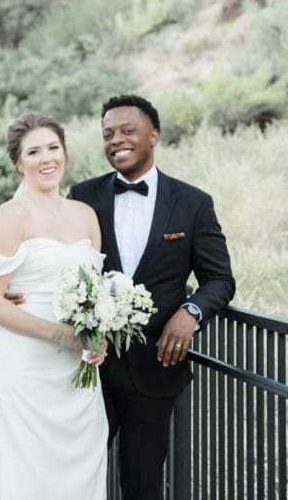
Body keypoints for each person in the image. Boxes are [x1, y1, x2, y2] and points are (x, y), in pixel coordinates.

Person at [67, 94, 236, 500]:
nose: (116, 141)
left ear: (153, 135)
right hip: (89, 369)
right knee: (71, 477)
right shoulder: (82, 196)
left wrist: (190, 312)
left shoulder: (193, 203)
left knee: (142, 485)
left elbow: (219, 279)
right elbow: (61, 266)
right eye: (108, 134)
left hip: (156, 370)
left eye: (128, 131)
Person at [0, 111, 110, 500]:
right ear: (19, 162)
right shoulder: (10, 216)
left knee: (78, 472)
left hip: (75, 372)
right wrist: (59, 334)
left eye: (53, 147)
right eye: (34, 152)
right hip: (22, 367)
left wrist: (99, 336)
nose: (47, 158)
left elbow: (92, 294)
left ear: (64, 152)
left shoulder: (86, 215)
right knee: (21, 475)